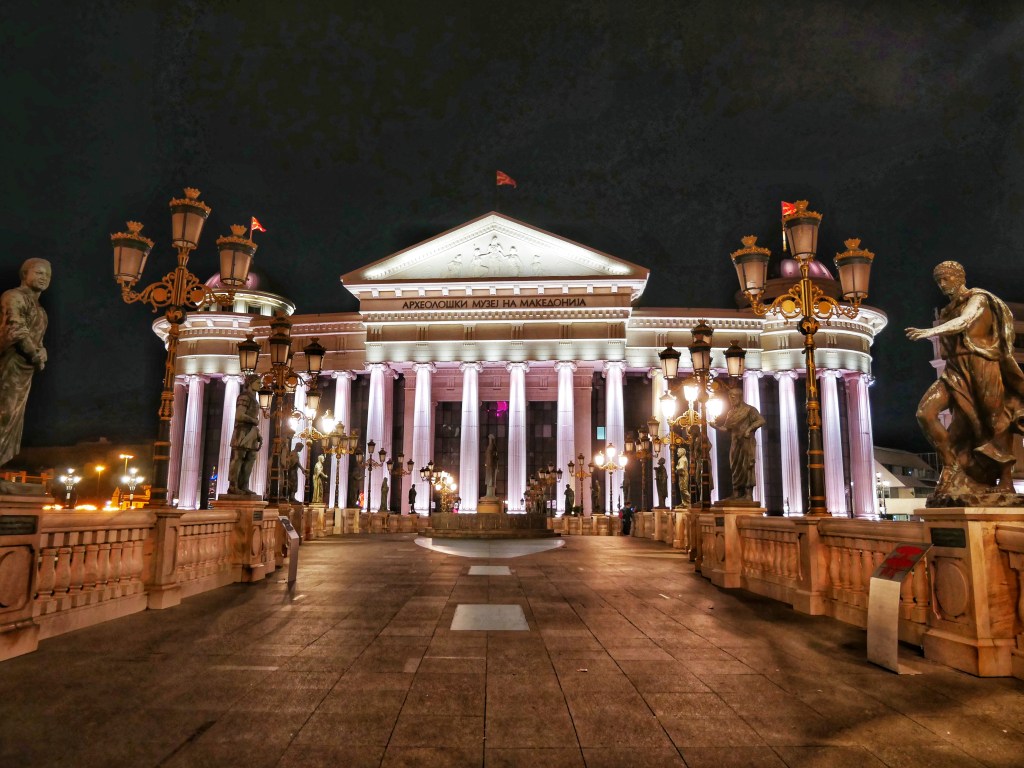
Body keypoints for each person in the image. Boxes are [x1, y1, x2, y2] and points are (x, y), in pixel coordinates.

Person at [906, 260, 1024, 502]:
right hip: (955, 369)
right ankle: (952, 465)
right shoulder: (949, 310)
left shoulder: (978, 298)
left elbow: (966, 320)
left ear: (960, 277)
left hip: (981, 364)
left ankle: (1006, 482)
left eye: (946, 278)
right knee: (925, 413)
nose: (942, 284)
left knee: (993, 420)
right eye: (938, 280)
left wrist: (930, 332)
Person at [0, 258, 50, 469]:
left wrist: (42, 351)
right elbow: (16, 328)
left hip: (24, 370)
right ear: (24, 275)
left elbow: (37, 338)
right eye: (39, 273)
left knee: (13, 418)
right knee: (4, 413)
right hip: (9, 363)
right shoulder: (14, 296)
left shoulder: (41, 310)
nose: (44, 278)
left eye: (47, 275)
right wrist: (35, 354)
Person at [712, 387, 766, 500]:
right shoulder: (731, 412)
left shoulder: (749, 410)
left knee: (747, 466)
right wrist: (715, 426)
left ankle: (748, 494)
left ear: (739, 397)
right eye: (729, 398)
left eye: (733, 397)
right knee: (735, 467)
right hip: (735, 444)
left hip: (746, 442)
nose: (731, 400)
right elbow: (726, 429)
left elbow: (761, 420)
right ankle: (736, 492)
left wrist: (749, 429)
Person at [227, 375, 262, 494]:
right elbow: (239, 415)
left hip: (251, 432)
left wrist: (257, 432)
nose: (260, 385)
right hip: (241, 432)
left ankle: (244, 486)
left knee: (250, 458)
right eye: (258, 382)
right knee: (238, 458)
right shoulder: (244, 397)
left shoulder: (253, 398)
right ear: (250, 383)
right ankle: (233, 486)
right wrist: (254, 421)